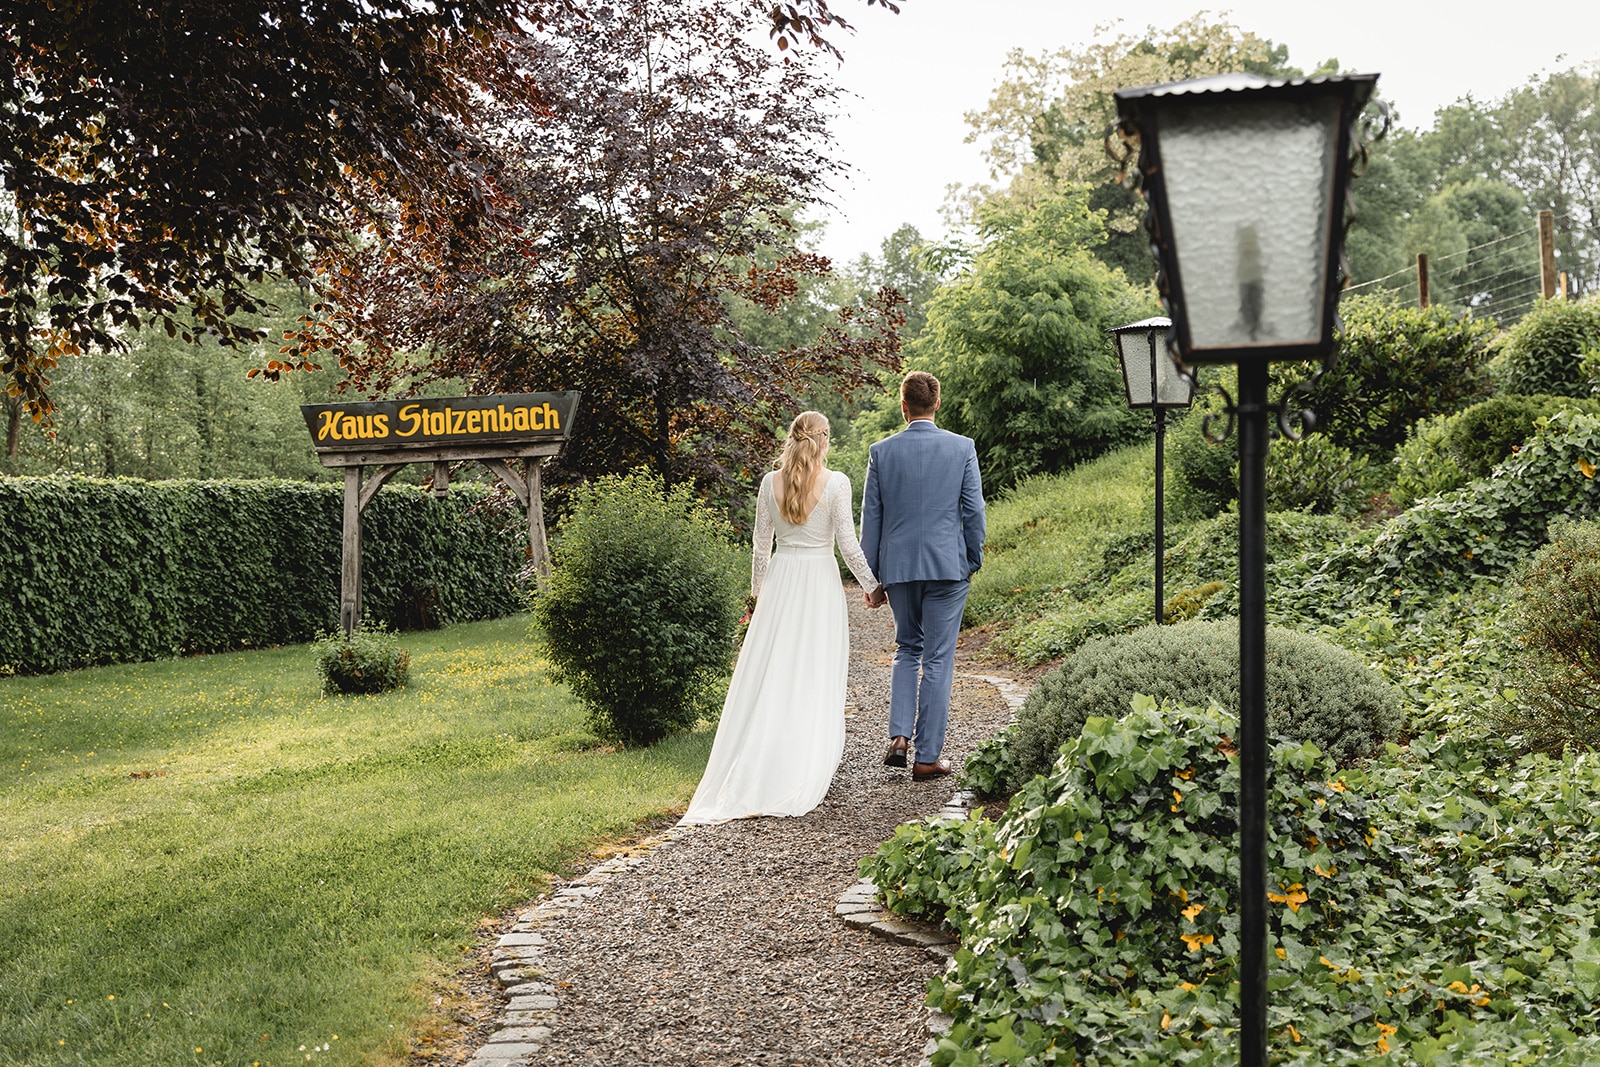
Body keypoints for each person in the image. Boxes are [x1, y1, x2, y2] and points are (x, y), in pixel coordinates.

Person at [678, 411, 880, 825]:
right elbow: (848, 543)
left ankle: (770, 756)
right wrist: (873, 586)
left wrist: (757, 598)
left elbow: (759, 548)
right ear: (823, 439)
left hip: (781, 582)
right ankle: (802, 758)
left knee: (775, 671)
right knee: (814, 670)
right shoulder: (837, 483)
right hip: (819, 583)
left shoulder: (769, 483)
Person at [860, 370, 986, 782]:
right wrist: (971, 559)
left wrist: (872, 579)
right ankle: (927, 757)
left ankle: (899, 737)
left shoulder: (881, 452)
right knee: (937, 659)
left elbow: (871, 521)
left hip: (899, 569)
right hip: (948, 567)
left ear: (903, 406)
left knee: (906, 649)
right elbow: (973, 511)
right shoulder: (962, 447)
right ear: (936, 404)